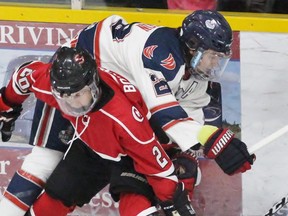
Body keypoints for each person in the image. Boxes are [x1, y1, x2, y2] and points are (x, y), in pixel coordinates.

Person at [0, 10, 255, 215]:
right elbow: (166, 114)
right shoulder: (159, 57)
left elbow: (184, 117)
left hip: (109, 99)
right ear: (191, 46)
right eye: (211, 56)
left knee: (83, 177)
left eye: (218, 58)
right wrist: (6, 105)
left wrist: (190, 157)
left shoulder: (132, 114)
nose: (215, 64)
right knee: (44, 159)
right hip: (85, 66)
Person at [0, 46, 197, 216]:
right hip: (93, 144)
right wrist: (5, 105)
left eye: (78, 95)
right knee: (54, 199)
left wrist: (173, 201)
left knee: (137, 209)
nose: (72, 103)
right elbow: (23, 76)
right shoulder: (55, 85)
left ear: (93, 84)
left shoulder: (125, 119)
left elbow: (157, 167)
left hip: (132, 154)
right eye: (65, 97)